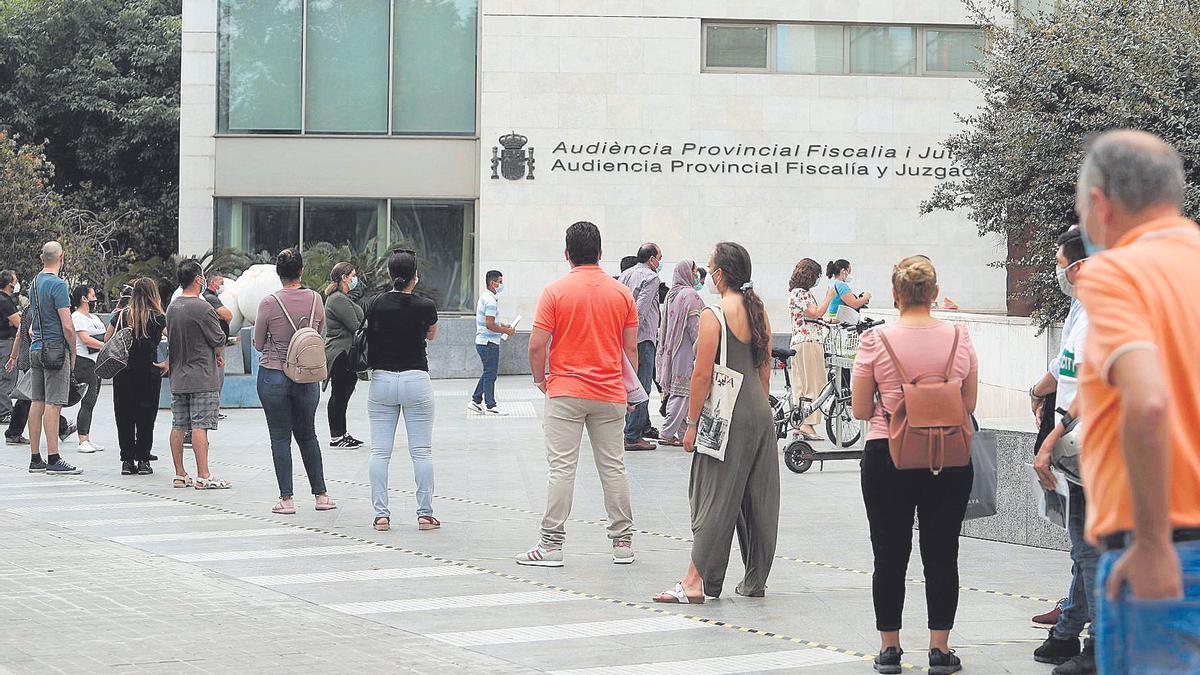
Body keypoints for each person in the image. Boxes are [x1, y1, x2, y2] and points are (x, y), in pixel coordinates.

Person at [1072, 131, 1200, 675]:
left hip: (1163, 553)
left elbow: (1146, 403)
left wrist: (1149, 544)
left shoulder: (1116, 273)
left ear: (1099, 204)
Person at [851, 255, 978, 675]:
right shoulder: (961, 338)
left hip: (887, 454)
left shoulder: (874, 341)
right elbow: (969, 405)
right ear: (935, 293)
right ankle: (940, 650)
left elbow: (857, 409)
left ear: (895, 294)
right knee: (943, 552)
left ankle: (890, 648)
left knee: (889, 553)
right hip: (949, 457)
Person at [652, 242, 779, 603]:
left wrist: (691, 423)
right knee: (757, 500)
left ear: (721, 274)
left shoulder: (714, 314)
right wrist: (760, 408)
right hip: (758, 409)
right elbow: (765, 368)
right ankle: (752, 581)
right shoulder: (758, 311)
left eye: (710, 268)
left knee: (713, 495)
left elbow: (701, 376)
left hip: (727, 415)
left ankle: (694, 581)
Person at [515, 221, 637, 567]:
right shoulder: (621, 294)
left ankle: (551, 546)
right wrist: (629, 392)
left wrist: (542, 380)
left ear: (566, 254)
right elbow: (632, 351)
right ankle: (623, 543)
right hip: (611, 391)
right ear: (600, 254)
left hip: (565, 391)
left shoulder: (554, 292)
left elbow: (537, 345)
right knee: (614, 467)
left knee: (561, 469)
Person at [1026, 228, 1098, 675]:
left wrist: (1054, 438)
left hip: (1098, 448)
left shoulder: (1104, 317)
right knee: (1086, 551)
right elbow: (1065, 372)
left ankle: (1096, 644)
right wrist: (1039, 392)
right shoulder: (1085, 312)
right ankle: (1074, 632)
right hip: (1081, 455)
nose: (1060, 273)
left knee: (1093, 552)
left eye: (1062, 264)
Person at [255, 249, 336, 513]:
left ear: (278, 274)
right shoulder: (316, 299)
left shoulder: (268, 303)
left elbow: (257, 343)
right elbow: (317, 334)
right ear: (301, 271)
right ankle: (321, 496)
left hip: (274, 375)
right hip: (306, 375)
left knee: (280, 438)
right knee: (308, 435)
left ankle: (287, 500)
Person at [365, 249, 439, 532]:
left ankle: (381, 515)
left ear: (389, 274)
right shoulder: (425, 305)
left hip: (382, 380)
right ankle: (424, 514)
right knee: (421, 451)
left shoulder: (375, 303)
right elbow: (431, 334)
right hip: (416, 379)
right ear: (415, 277)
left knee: (380, 451)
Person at [166, 259, 230, 490]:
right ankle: (203, 474)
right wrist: (220, 353)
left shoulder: (172, 307)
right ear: (198, 279)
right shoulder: (203, 308)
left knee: (179, 425)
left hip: (178, 376)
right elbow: (218, 338)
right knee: (200, 426)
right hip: (202, 375)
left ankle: (179, 474)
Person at [26, 242, 81, 475]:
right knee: (54, 403)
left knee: (36, 401)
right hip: (55, 350)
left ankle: (35, 458)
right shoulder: (58, 285)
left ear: (41, 258)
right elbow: (68, 325)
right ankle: (54, 458)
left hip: (36, 347)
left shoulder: (34, 283)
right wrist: (74, 351)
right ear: (62, 257)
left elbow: (31, 322)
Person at [109, 278, 167, 475]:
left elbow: (108, 340)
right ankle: (143, 460)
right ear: (153, 294)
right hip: (149, 372)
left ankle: (127, 461)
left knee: (124, 416)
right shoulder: (158, 317)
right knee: (146, 417)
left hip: (123, 373)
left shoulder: (121, 316)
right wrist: (167, 362)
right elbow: (175, 338)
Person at [617, 242, 664, 451]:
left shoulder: (626, 274)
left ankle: (630, 430)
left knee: (628, 383)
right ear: (651, 258)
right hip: (643, 337)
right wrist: (633, 334)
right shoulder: (652, 277)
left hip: (624, 335)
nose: (660, 262)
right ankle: (633, 436)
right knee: (642, 386)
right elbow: (640, 310)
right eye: (659, 258)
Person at [654, 260, 703, 447]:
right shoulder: (690, 295)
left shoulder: (672, 294)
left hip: (672, 350)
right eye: (694, 271)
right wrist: (704, 347)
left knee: (683, 393)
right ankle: (666, 432)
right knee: (681, 393)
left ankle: (684, 433)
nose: (696, 274)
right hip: (686, 350)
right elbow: (695, 327)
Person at [788, 258, 837, 441]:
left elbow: (812, 317)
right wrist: (829, 297)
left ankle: (801, 423)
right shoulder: (801, 293)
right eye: (816, 275)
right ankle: (807, 424)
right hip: (809, 342)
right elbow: (816, 313)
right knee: (814, 384)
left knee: (801, 385)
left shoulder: (796, 293)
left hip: (799, 342)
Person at [323, 262, 365, 448]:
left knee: (343, 395)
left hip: (346, 353)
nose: (356, 278)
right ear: (344, 277)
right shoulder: (337, 299)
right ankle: (336, 436)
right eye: (353, 275)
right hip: (340, 353)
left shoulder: (342, 297)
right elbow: (356, 325)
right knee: (339, 395)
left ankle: (342, 433)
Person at [471, 269, 515, 415]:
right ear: (493, 283)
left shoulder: (486, 297)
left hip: (484, 342)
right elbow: (489, 324)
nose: (501, 284)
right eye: (500, 282)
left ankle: (476, 401)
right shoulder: (490, 301)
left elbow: (491, 321)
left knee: (488, 372)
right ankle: (490, 405)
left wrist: (503, 326)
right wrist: (506, 331)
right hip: (488, 342)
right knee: (490, 374)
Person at [69, 285, 106, 454]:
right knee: (88, 401)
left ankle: (88, 438)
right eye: (92, 295)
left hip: (96, 362)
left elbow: (104, 335)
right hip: (84, 363)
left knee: (92, 401)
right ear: (84, 298)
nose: (95, 299)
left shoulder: (94, 318)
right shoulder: (77, 317)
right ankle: (82, 439)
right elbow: (85, 339)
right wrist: (106, 346)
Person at [0, 271, 20, 425]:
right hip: (6, 342)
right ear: (9, 284)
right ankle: (5, 412)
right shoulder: (5, 301)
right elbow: (18, 323)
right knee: (7, 376)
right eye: (15, 281)